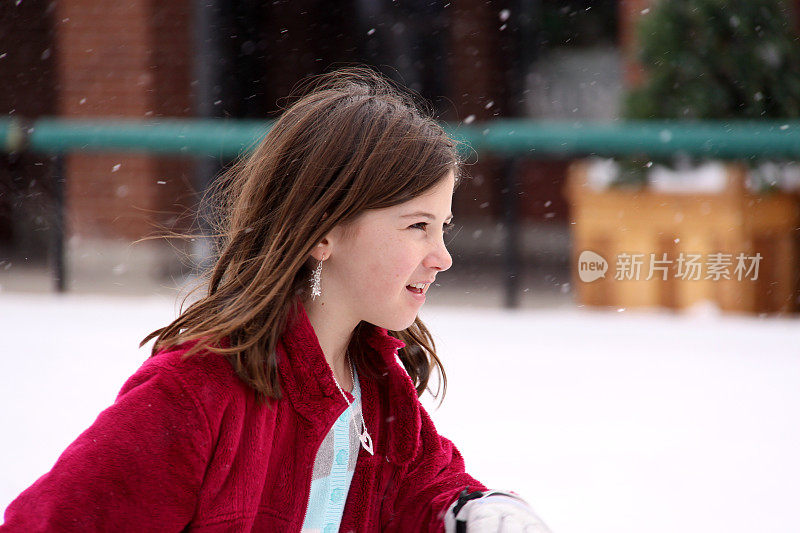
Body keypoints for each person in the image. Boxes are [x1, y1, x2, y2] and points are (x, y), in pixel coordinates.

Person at [1, 66, 551, 532]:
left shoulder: (379, 387)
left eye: (444, 228)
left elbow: (424, 488)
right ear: (323, 231)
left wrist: (475, 511)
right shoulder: (195, 393)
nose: (442, 256)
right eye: (417, 226)